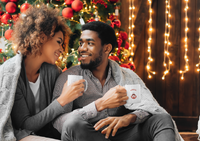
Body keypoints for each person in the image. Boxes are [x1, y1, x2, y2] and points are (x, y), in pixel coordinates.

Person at [52, 21, 183, 141]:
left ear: (107, 48)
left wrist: (129, 118)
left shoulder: (127, 76)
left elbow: (148, 108)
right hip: (88, 135)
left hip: (123, 134)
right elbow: (58, 122)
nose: (82, 49)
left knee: (162, 119)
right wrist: (98, 105)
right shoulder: (69, 77)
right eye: (81, 43)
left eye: (90, 43)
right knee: (72, 123)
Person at [0, 5, 85, 141]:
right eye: (59, 42)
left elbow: (60, 117)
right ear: (42, 36)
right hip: (20, 135)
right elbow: (26, 125)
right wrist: (62, 100)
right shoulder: (12, 73)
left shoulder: (53, 72)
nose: (61, 49)